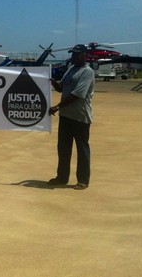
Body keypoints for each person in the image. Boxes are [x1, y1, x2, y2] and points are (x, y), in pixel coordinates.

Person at [48, 44, 95, 190]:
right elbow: (62, 87)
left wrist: (57, 106)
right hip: (66, 116)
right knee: (63, 148)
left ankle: (83, 180)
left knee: (82, 149)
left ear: (84, 55)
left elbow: (77, 94)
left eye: (76, 54)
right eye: (72, 54)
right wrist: (52, 82)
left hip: (80, 117)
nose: (73, 56)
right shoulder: (71, 69)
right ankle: (62, 177)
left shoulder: (87, 72)